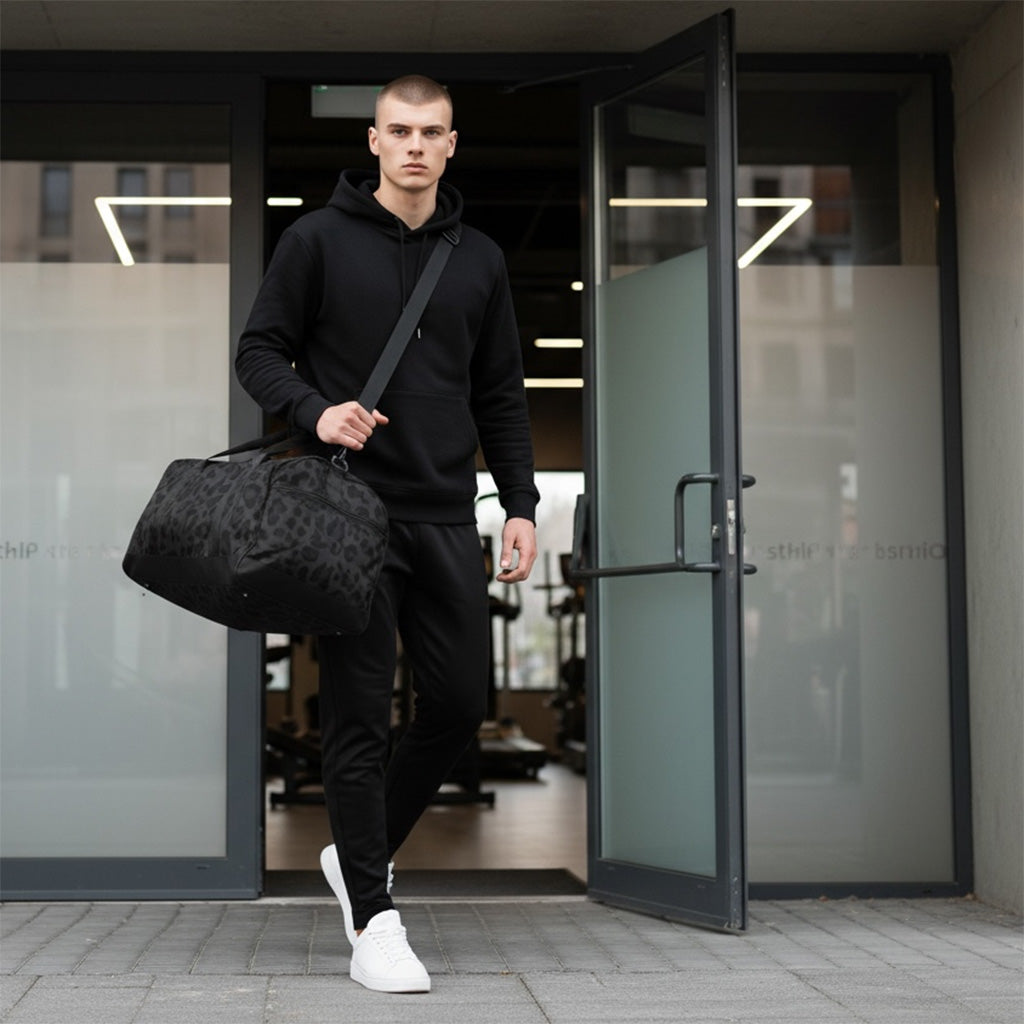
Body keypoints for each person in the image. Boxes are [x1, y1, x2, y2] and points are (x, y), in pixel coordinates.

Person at [235, 75, 539, 994]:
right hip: (347, 512)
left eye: (431, 132)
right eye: (399, 130)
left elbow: (501, 392)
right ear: (373, 141)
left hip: (447, 512)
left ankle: (354, 854)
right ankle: (374, 917)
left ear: (452, 144)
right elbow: (257, 351)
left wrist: (520, 501)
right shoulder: (316, 240)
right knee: (360, 713)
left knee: (456, 705)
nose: (414, 145)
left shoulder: (479, 257)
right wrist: (316, 412)